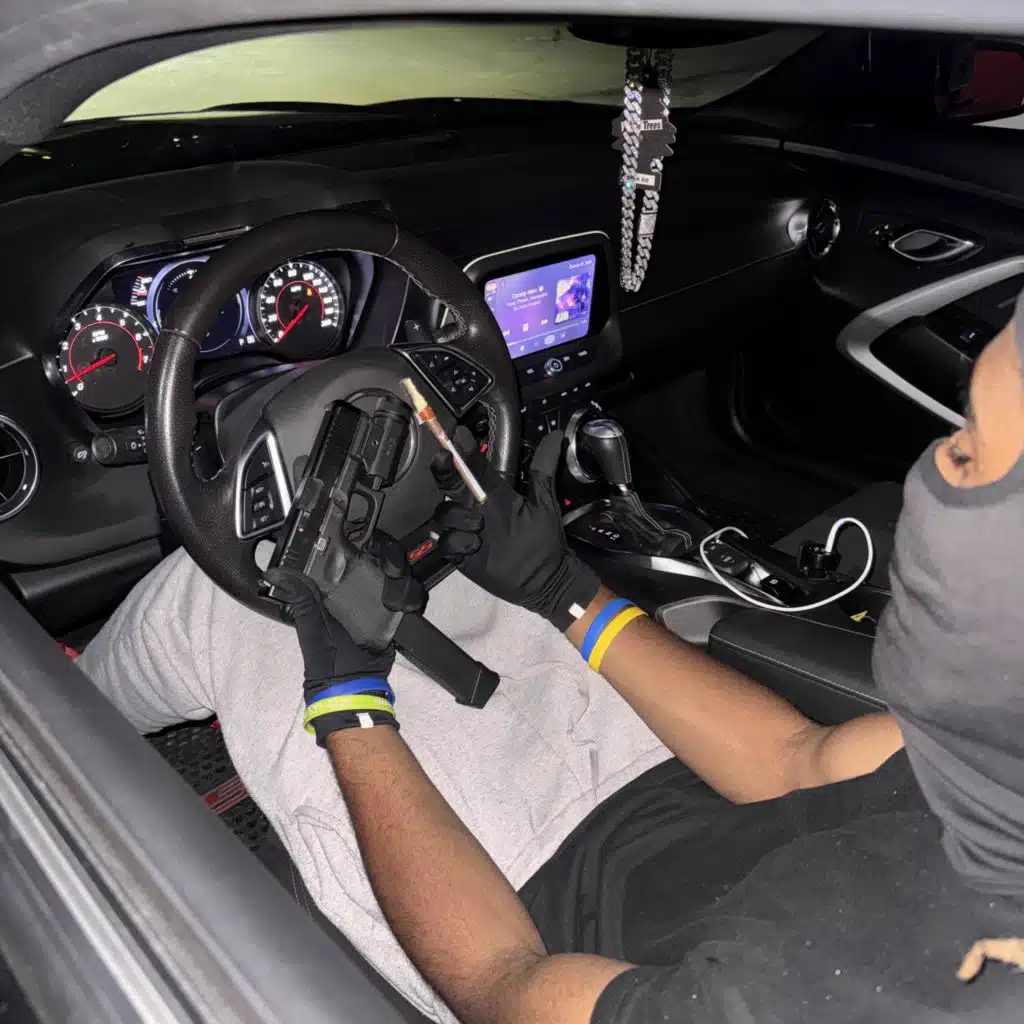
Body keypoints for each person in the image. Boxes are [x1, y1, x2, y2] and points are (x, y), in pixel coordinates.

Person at [80, 297, 1024, 1023]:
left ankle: (52, 723)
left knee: (220, 596)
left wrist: (348, 699)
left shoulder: (795, 1004)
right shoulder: (1000, 772)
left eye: (967, 457)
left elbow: (503, 983)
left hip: (523, 907)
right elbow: (798, 764)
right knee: (433, 572)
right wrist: (564, 592)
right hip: (673, 780)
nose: (928, 475)